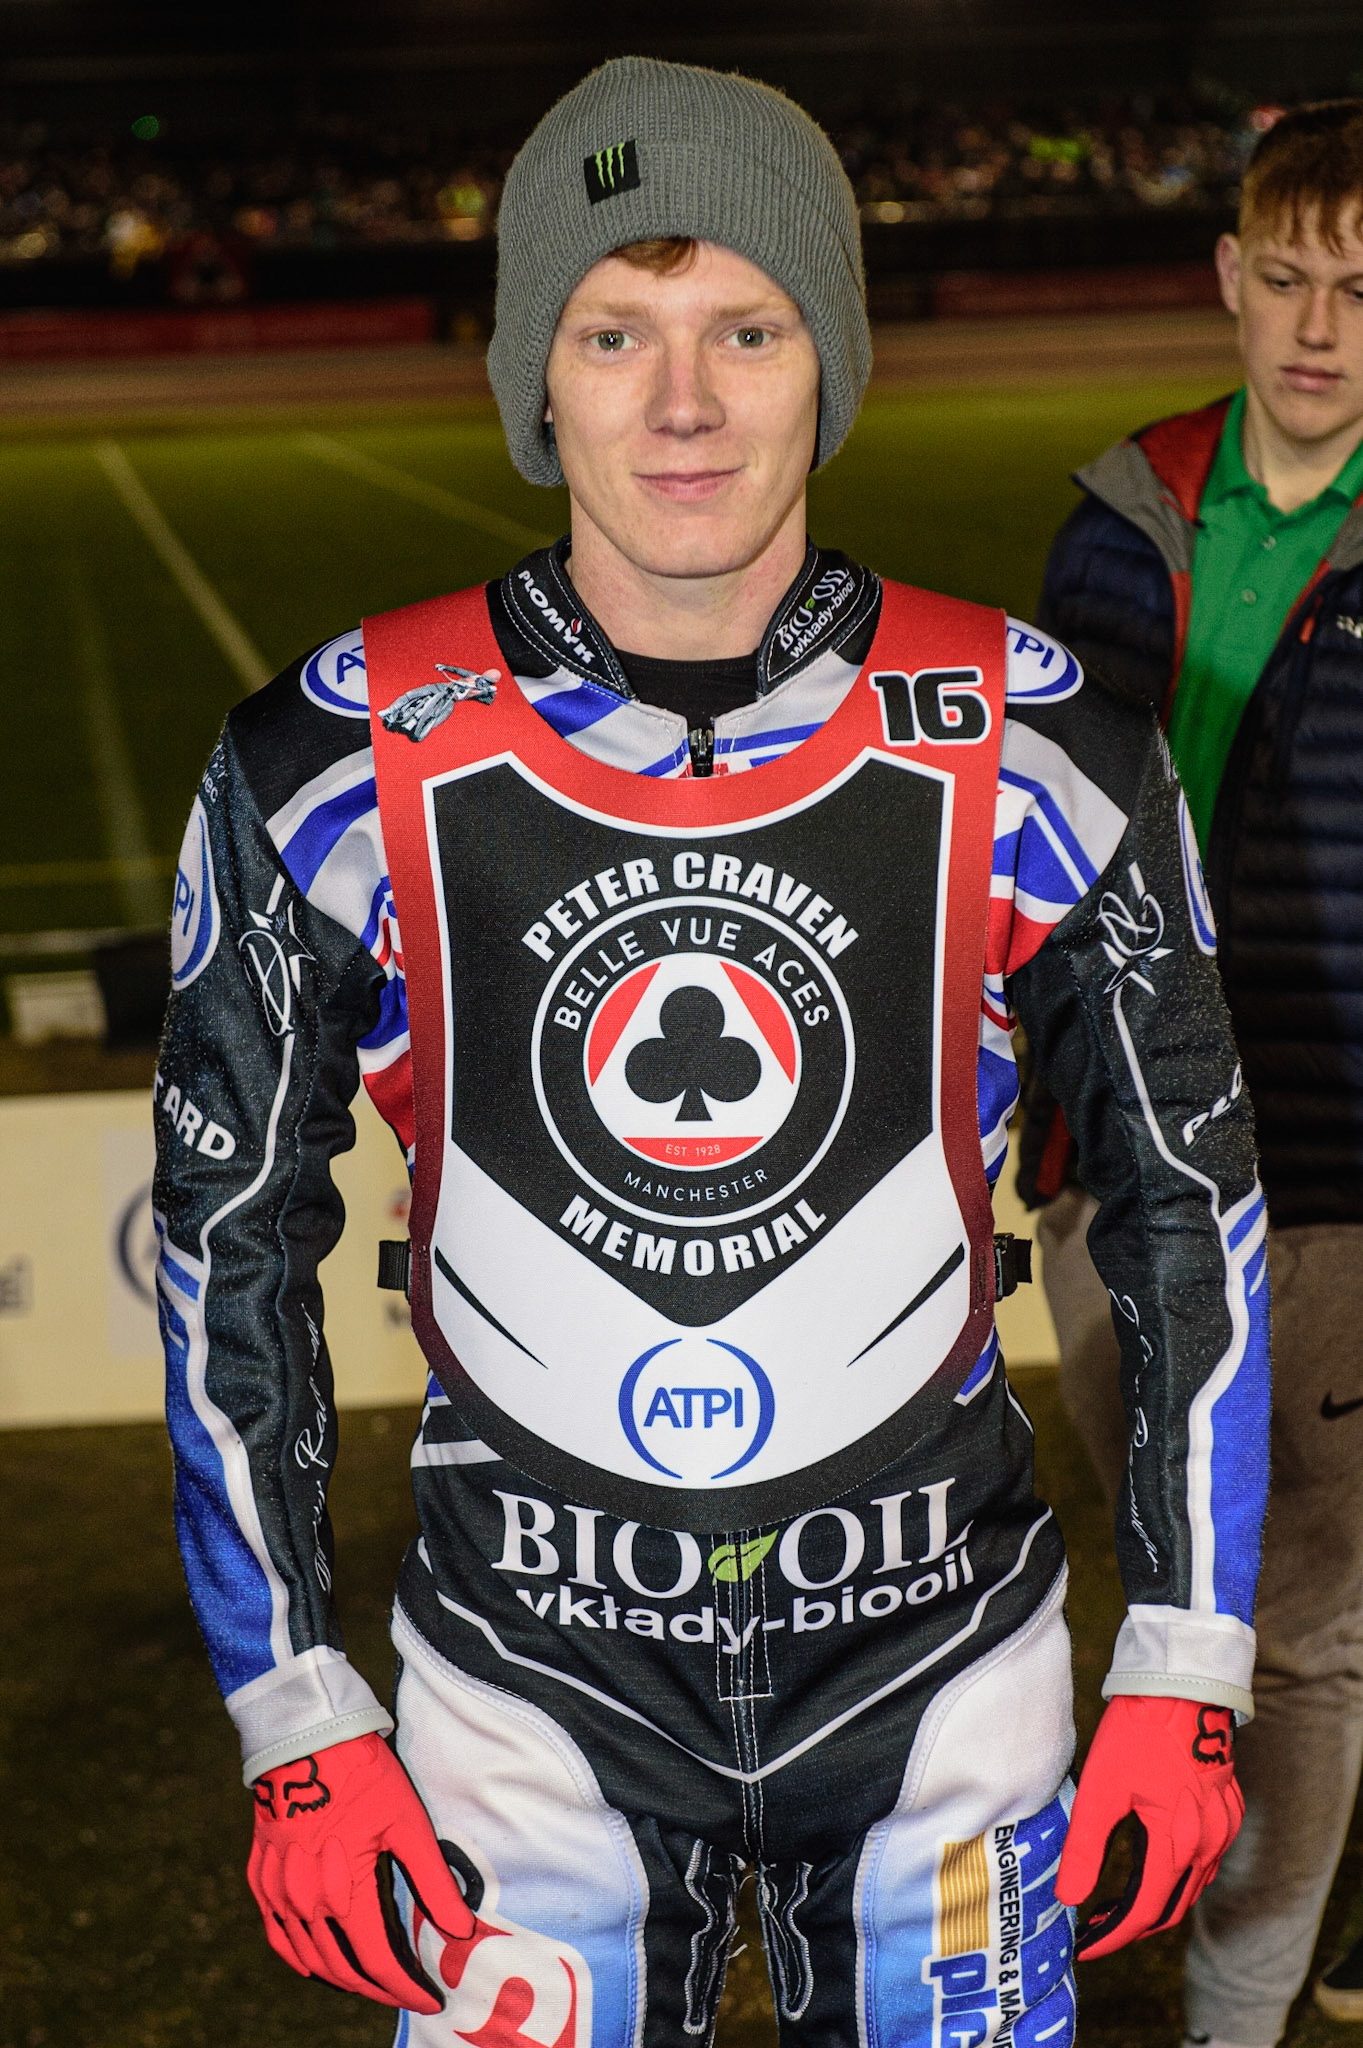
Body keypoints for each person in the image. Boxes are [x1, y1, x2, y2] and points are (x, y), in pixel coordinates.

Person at [155, 57, 1267, 2047]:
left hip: (947, 1677)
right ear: (537, 373)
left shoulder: (1042, 742)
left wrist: (1186, 1666)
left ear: (829, 361)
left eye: (746, 329)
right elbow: (222, 1237)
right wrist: (296, 1712)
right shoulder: (328, 753)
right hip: (517, 1686)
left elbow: (1191, 1205)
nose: (682, 403)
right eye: (614, 334)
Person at [1029, 97, 1363, 2048]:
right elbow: (1025, 845)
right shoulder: (1119, 516)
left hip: (1332, 1183)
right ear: (1230, 276)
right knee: (1167, 1604)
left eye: (1362, 292)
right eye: (1290, 279)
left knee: (1299, 1633)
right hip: (1118, 1169)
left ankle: (1233, 2023)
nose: (1319, 327)